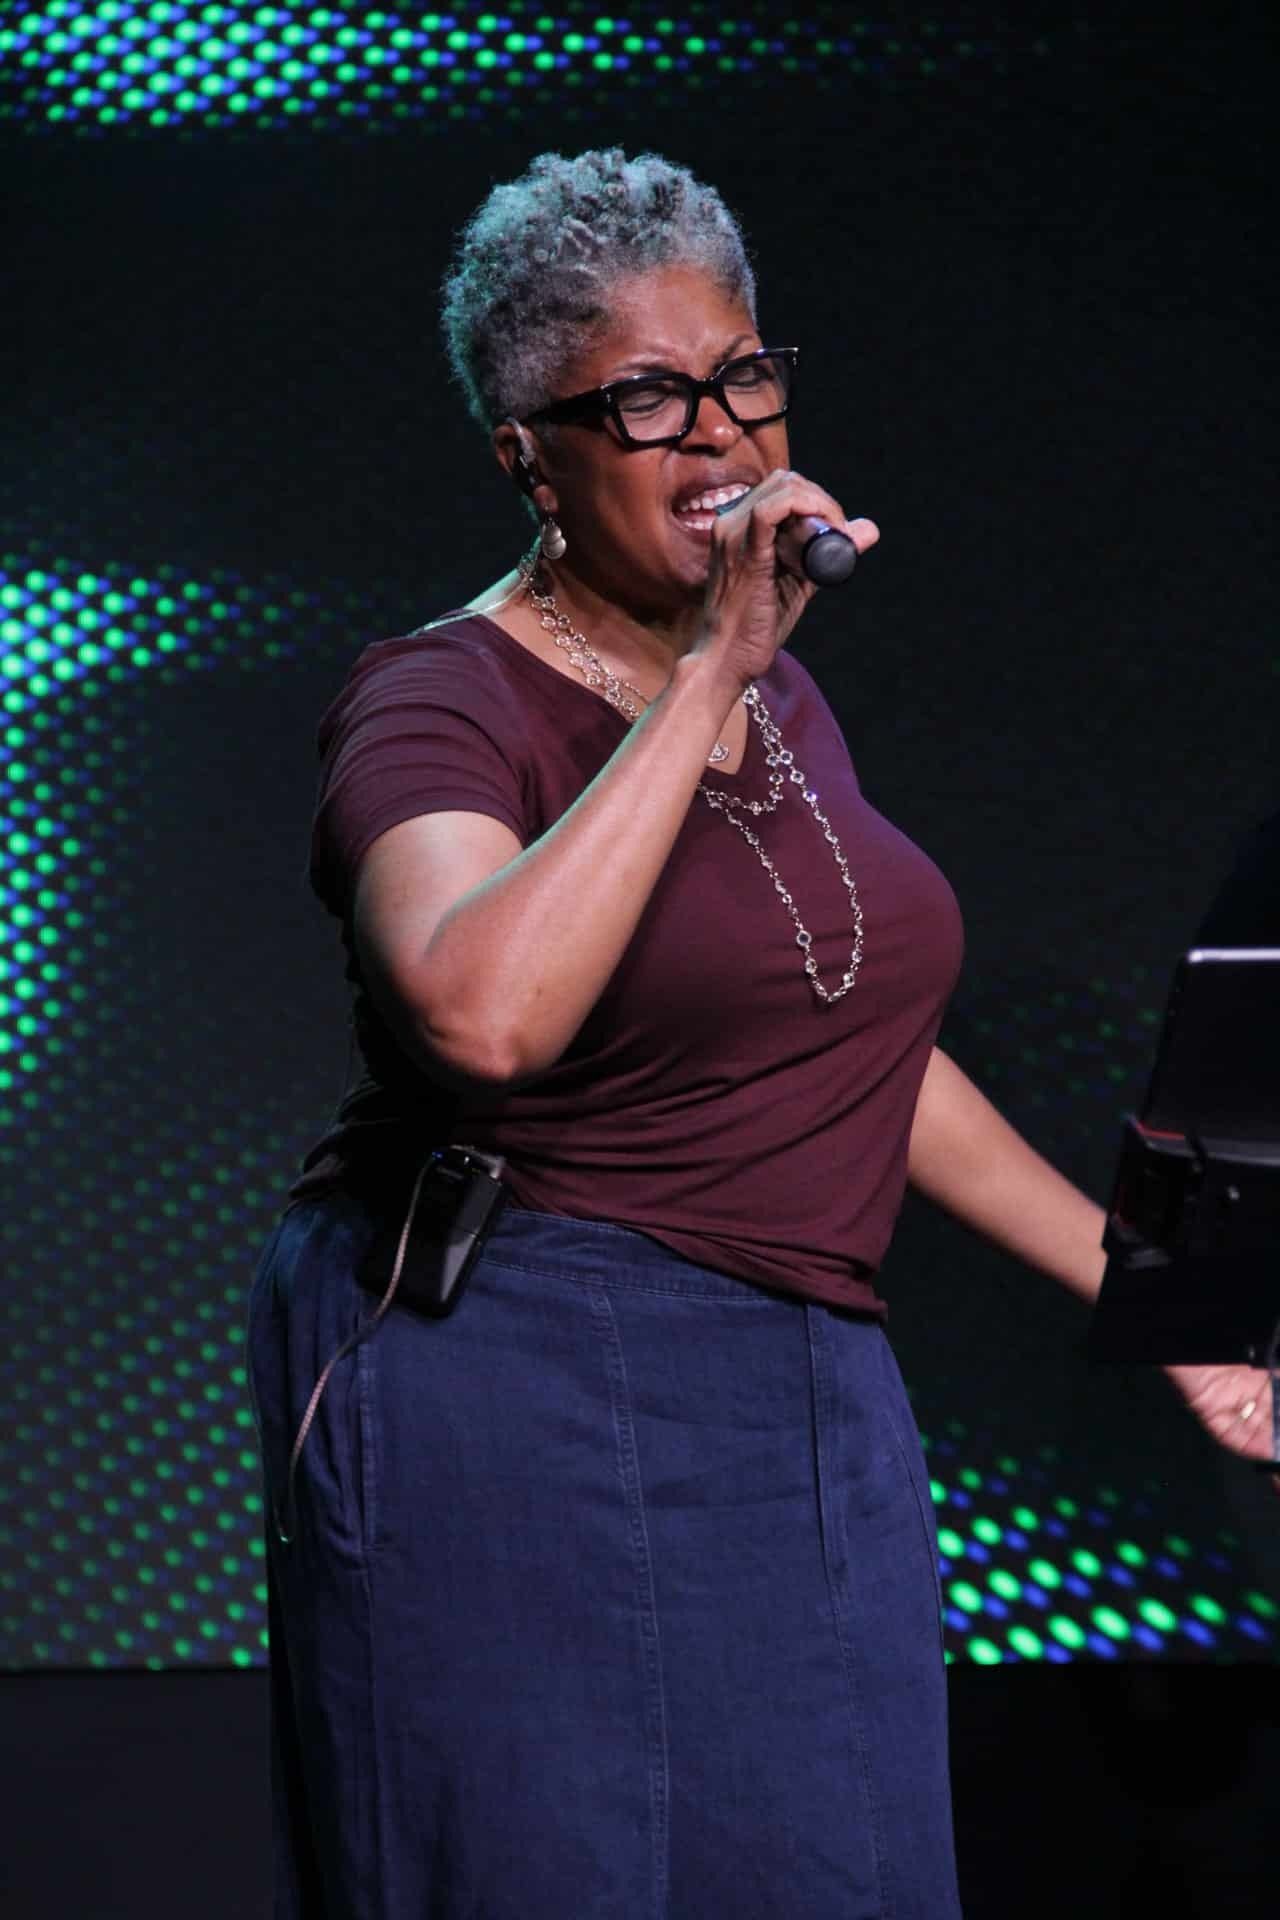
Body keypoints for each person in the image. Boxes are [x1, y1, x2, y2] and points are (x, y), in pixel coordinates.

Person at [246, 148, 1276, 1920]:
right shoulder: (441, 695)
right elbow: (480, 1015)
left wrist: (1157, 1300)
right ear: (529, 457)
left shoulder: (778, 690)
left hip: (801, 1385)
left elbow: (857, 1054)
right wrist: (715, 671)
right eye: (647, 396)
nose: (719, 434)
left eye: (742, 376)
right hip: (524, 1373)